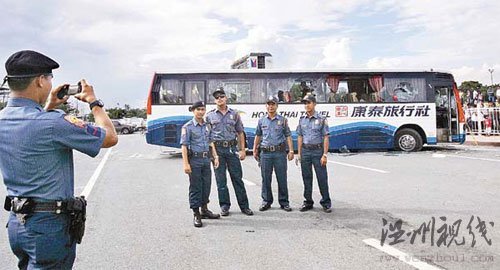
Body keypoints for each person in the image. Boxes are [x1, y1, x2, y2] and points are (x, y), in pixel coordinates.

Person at [0, 50, 118, 269]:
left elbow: (32, 130)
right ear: (39, 81)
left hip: (17, 225)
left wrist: (50, 105)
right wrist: (94, 101)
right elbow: (110, 137)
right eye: (49, 78)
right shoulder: (54, 123)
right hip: (48, 227)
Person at [205, 87, 253, 216]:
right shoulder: (209, 116)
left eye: (221, 96)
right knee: (221, 180)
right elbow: (208, 137)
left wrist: (242, 150)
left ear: (226, 98)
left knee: (237, 178)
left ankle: (244, 206)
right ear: (214, 101)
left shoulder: (234, 114)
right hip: (218, 151)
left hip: (232, 149)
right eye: (217, 98)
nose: (219, 99)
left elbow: (240, 132)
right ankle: (224, 206)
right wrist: (214, 154)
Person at [181, 101, 221, 227]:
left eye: (203, 109)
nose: (201, 112)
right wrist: (186, 164)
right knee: (195, 187)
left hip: (205, 159)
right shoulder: (187, 127)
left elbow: (210, 142)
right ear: (193, 111)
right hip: (195, 160)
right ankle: (196, 213)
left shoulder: (207, 126)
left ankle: (204, 209)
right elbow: (184, 146)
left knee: (206, 185)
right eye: (198, 109)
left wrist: (215, 156)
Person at [253, 96, 294, 212]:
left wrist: (291, 150)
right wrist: (255, 149)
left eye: (273, 104)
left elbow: (288, 135)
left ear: (277, 106)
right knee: (266, 179)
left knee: (282, 178)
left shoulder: (283, 120)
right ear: (266, 106)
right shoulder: (261, 120)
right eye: (269, 104)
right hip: (265, 154)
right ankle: (266, 201)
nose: (271, 106)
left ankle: (284, 202)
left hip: (279, 153)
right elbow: (258, 135)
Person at [296, 94, 332, 213]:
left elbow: (326, 137)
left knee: (322, 177)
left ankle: (326, 202)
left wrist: (325, 154)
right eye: (305, 103)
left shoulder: (321, 119)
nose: (307, 105)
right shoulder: (302, 119)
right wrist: (299, 153)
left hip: (318, 151)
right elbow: (300, 136)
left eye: (309, 103)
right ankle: (308, 201)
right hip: (305, 151)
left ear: (314, 104)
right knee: (306, 177)